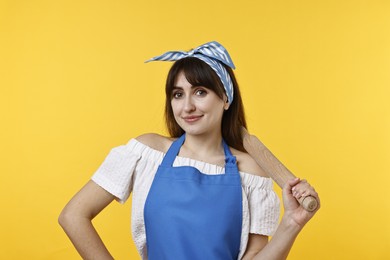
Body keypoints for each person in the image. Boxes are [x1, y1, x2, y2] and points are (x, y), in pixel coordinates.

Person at [59, 41, 320, 260]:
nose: (187, 107)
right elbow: (73, 216)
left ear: (225, 98)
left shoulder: (250, 171)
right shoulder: (147, 152)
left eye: (200, 92)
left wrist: (291, 224)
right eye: (178, 94)